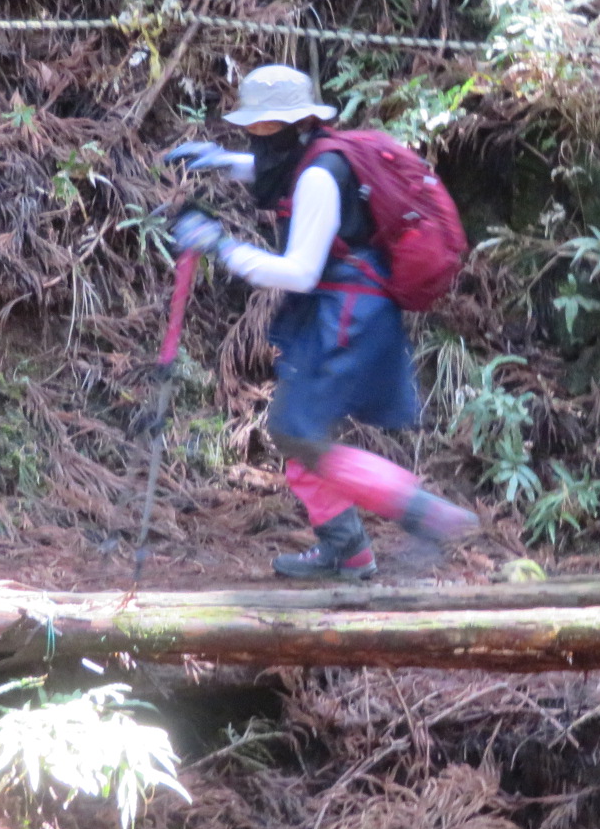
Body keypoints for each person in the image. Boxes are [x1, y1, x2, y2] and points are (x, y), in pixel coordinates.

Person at [162, 64, 476, 580]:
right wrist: (221, 161)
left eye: (267, 126)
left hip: (347, 315)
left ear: (298, 123)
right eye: (254, 127)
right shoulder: (313, 156)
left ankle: (424, 513)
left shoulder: (318, 175)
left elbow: (300, 271)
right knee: (297, 433)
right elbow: (279, 174)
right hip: (338, 310)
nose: (259, 135)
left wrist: (220, 246)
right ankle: (347, 551)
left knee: (297, 432)